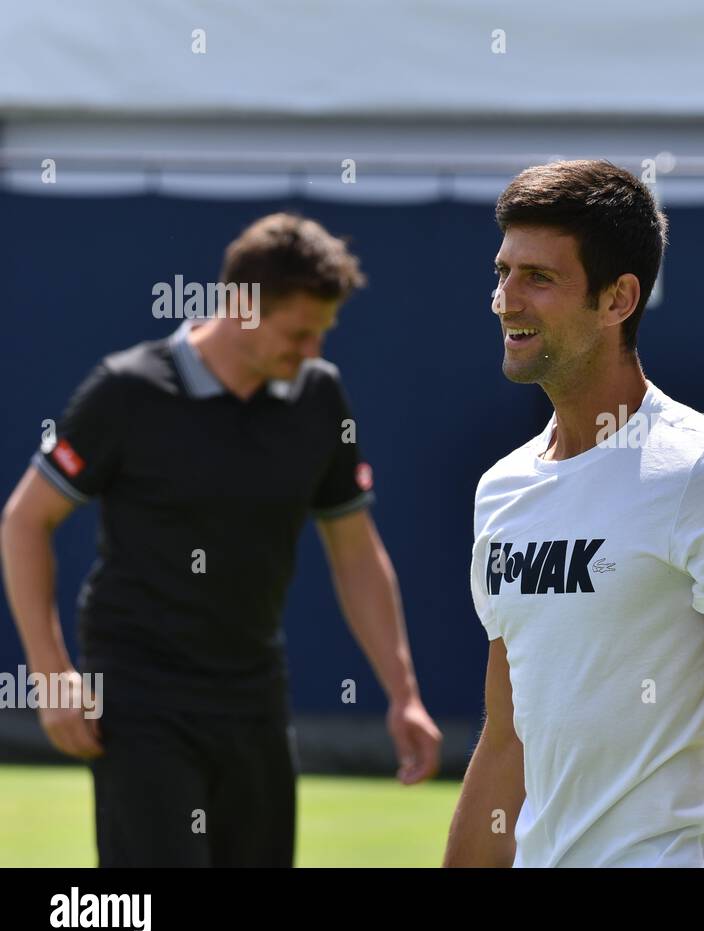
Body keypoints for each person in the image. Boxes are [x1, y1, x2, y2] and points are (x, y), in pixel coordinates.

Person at [0, 212, 441, 866]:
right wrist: (52, 675)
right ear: (238, 306)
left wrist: (403, 694)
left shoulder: (320, 397)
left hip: (254, 693)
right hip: (139, 696)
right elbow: (24, 520)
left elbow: (355, 549)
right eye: (299, 333)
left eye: (323, 333)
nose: (313, 351)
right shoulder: (126, 390)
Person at [444, 160, 704, 867]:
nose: (505, 299)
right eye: (502, 272)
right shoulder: (500, 490)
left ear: (618, 298)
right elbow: (506, 737)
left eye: (538, 278)